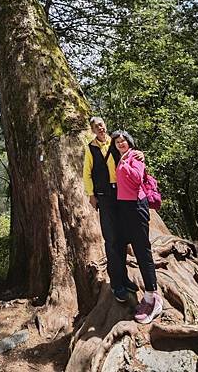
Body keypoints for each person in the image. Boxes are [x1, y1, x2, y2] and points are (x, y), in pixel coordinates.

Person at [83, 117, 139, 302]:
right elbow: (87, 173)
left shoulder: (114, 142)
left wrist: (140, 155)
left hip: (122, 194)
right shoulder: (91, 148)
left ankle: (125, 278)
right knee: (112, 239)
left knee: (123, 238)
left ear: (105, 125)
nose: (100, 128)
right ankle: (116, 284)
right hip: (105, 196)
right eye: (95, 127)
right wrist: (91, 194)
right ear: (92, 130)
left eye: (101, 124)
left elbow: (129, 153)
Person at [111, 129, 163, 324]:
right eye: (117, 142)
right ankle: (136, 291)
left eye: (123, 141)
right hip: (124, 208)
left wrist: (125, 162)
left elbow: (136, 178)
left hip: (136, 206)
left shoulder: (134, 156)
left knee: (142, 250)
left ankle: (152, 297)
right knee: (122, 246)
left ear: (129, 142)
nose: (121, 143)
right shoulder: (120, 157)